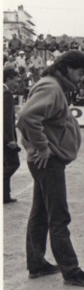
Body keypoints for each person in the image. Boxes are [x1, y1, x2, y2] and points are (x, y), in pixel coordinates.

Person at [16, 50, 84, 287]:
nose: (81, 79)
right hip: (48, 163)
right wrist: (42, 147)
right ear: (67, 68)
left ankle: (37, 263)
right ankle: (71, 270)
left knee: (41, 213)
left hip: (45, 162)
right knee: (59, 216)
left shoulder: (52, 85)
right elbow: (25, 118)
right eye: (80, 73)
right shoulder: (52, 87)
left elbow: (37, 120)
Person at [4, 68, 21, 204]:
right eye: (15, 79)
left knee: (5, 164)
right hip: (5, 138)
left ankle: (5, 195)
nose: (17, 82)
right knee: (13, 163)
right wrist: (10, 140)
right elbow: (7, 120)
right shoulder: (6, 94)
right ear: (8, 79)